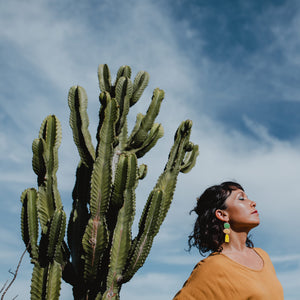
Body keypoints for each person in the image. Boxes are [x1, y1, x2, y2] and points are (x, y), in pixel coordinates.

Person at [173, 181, 284, 300]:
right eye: (241, 198)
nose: (253, 203)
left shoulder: (263, 255)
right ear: (222, 215)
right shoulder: (213, 267)